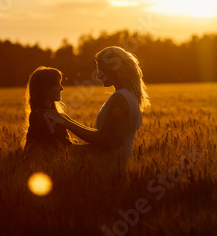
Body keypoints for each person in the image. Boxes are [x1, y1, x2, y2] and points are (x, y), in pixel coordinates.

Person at [47, 46, 150, 174]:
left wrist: (67, 124)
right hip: (123, 164)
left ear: (114, 69)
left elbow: (103, 139)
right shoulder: (132, 96)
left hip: (109, 167)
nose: (98, 76)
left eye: (101, 70)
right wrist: (67, 120)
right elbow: (104, 135)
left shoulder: (119, 98)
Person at [23, 66, 73, 161]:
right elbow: (66, 148)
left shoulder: (39, 113)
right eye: (57, 85)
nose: (62, 88)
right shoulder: (46, 117)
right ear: (45, 89)